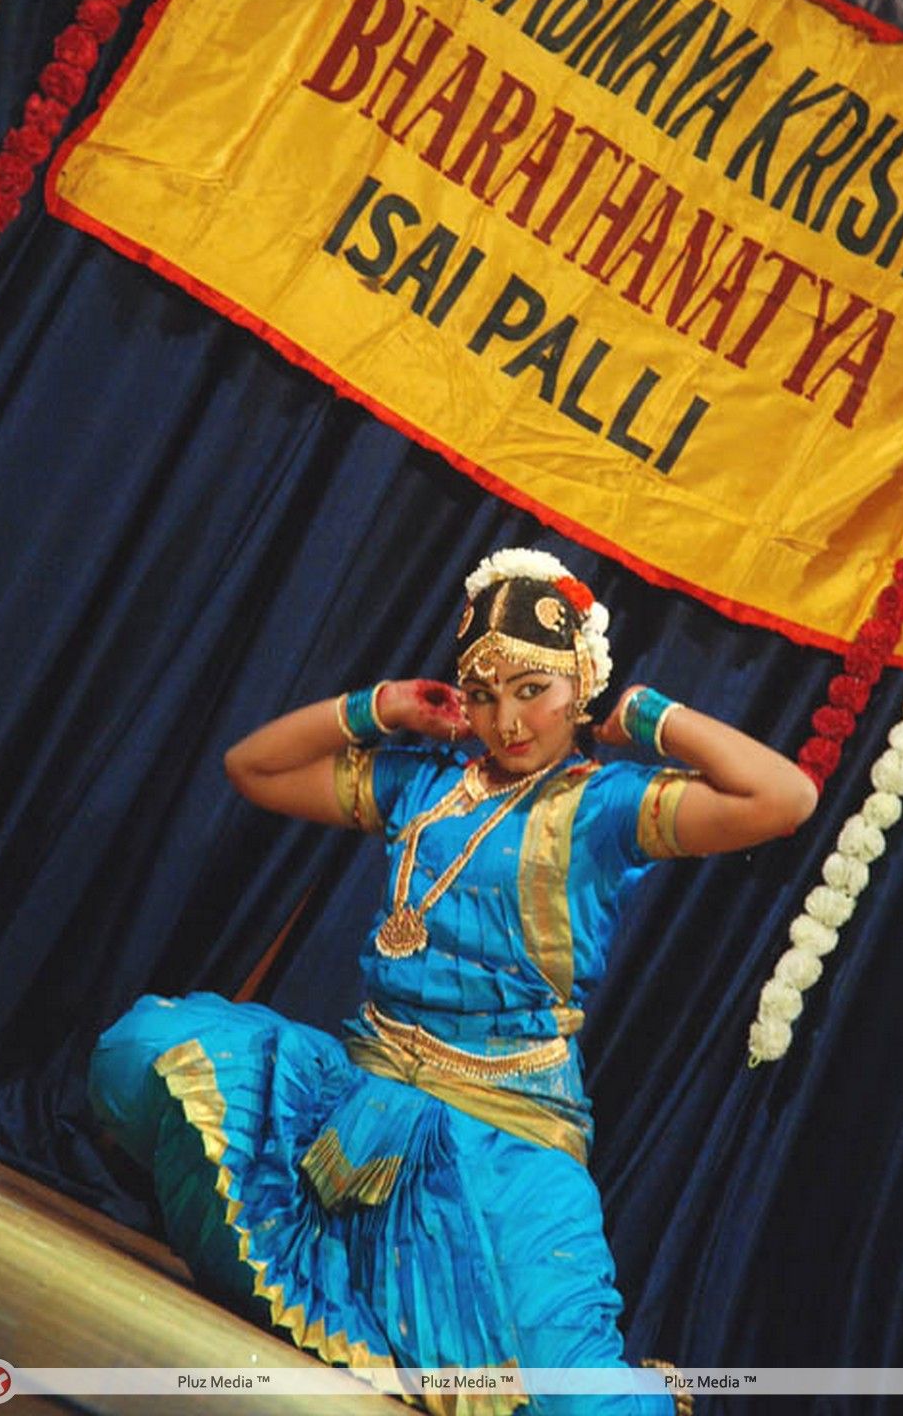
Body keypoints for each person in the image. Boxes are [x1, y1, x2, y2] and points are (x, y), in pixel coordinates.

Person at [89, 547, 817, 1413]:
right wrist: (378, 707)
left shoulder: (605, 805)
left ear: (579, 682)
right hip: (362, 1091)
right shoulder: (421, 784)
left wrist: (648, 716)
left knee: (584, 1405)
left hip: (509, 1130)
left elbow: (786, 799)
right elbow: (252, 768)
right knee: (145, 1051)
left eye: (532, 690)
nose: (507, 721)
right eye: (483, 694)